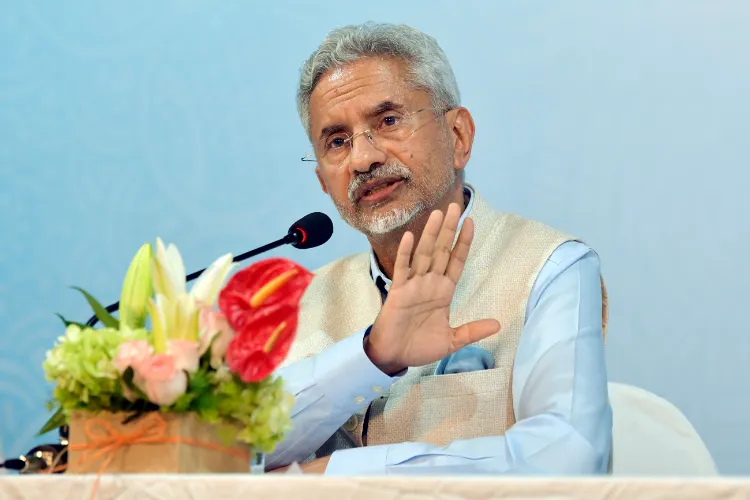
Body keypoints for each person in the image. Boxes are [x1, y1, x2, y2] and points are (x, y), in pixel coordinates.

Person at [266, 22, 612, 475]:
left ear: (458, 137)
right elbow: (230, 455)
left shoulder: (550, 266)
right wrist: (372, 356)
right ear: (322, 182)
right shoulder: (302, 300)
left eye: (388, 121)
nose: (363, 159)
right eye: (337, 141)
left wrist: (339, 476)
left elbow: (570, 457)